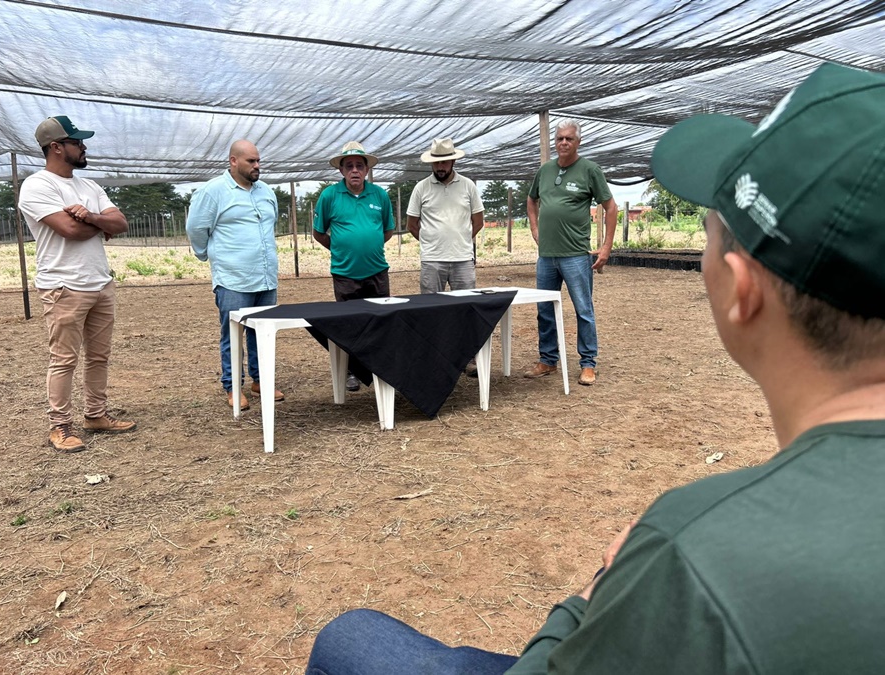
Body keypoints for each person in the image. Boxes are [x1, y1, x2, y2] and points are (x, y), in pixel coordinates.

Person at [305, 63, 885, 674]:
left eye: (715, 230)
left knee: (349, 638)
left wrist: (586, 603)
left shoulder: (692, 549)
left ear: (741, 293)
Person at [18, 115, 136, 453]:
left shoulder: (89, 187)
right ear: (56, 147)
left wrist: (91, 217)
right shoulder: (38, 186)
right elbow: (68, 231)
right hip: (63, 286)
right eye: (76, 142)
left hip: (100, 283)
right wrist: (100, 225)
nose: (84, 147)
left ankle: (96, 414)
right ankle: (60, 426)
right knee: (64, 359)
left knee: (99, 356)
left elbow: (121, 222)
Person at [186, 140, 283, 411]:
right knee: (233, 332)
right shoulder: (213, 191)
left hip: (265, 276)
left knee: (262, 329)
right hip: (233, 278)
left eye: (258, 161)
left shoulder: (265, 192)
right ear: (233, 161)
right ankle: (232, 386)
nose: (257, 166)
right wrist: (210, 256)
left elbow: (270, 224)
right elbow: (196, 228)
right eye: (251, 161)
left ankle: (260, 380)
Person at [525, 119, 617, 386]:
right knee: (544, 308)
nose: (563, 143)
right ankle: (548, 360)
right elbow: (532, 200)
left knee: (583, 309)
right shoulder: (545, 171)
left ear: (579, 142)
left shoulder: (589, 170)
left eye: (569, 139)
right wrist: (534, 227)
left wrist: (606, 246)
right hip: (546, 255)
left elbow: (610, 207)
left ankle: (588, 363)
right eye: (559, 139)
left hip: (576, 254)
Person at [313, 141, 395, 392]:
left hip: (377, 271)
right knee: (349, 323)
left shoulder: (379, 195)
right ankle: (351, 371)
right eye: (349, 166)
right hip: (345, 274)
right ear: (341, 171)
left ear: (367, 170)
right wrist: (342, 250)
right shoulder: (329, 196)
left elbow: (388, 230)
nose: (355, 170)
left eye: (360, 165)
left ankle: (382, 368)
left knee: (380, 321)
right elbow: (319, 233)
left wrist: (366, 245)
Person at [407, 137, 485, 376]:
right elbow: (412, 223)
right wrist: (432, 242)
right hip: (432, 260)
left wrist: (460, 240)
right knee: (431, 310)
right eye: (436, 163)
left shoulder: (468, 186)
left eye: (444, 162)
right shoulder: (421, 188)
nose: (440, 167)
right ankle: (434, 357)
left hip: (463, 259)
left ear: (452, 161)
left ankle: (467, 358)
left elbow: (478, 221)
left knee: (466, 309)